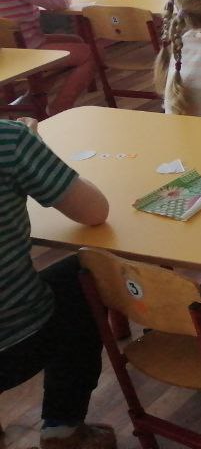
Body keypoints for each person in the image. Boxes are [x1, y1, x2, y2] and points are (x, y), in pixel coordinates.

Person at [0, 118, 115, 449]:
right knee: (82, 275)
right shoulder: (10, 141)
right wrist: (34, 148)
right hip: (16, 347)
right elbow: (95, 211)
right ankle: (62, 429)